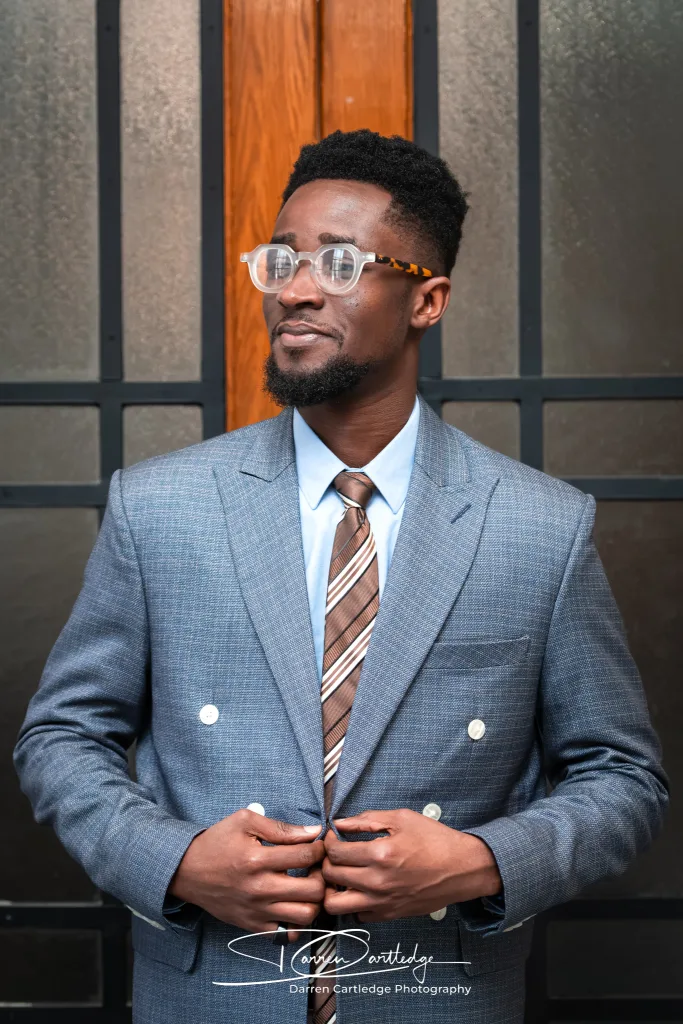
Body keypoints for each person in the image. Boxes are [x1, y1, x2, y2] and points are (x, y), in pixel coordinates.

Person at [14, 129, 669, 1024]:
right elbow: (61, 738)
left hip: (438, 996)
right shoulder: (158, 507)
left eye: (339, 262)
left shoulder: (541, 526)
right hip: (210, 998)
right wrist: (169, 860)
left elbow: (621, 778)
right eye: (281, 259)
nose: (293, 288)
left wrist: (483, 862)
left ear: (426, 300)